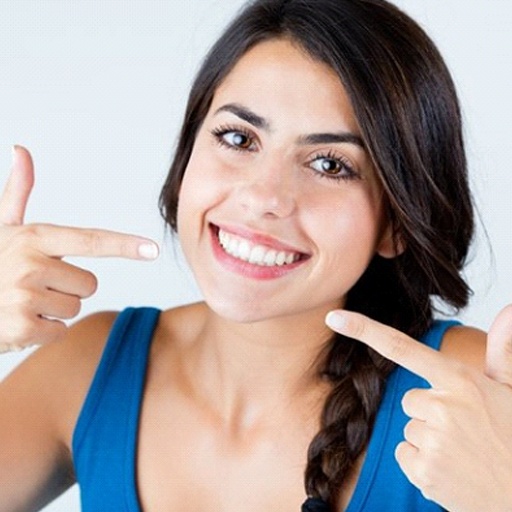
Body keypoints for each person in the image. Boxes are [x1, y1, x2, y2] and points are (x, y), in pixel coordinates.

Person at [0, 0, 511, 511]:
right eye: (238, 137)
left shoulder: (473, 392)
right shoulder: (90, 369)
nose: (264, 197)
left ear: (397, 221)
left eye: (330, 164)